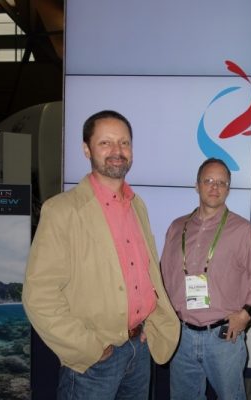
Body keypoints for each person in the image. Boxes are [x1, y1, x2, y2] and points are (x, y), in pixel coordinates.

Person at [23, 110, 180, 400]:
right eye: (105, 143)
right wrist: (89, 349)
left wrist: (151, 322)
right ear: (87, 149)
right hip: (95, 360)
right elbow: (38, 296)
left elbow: (146, 275)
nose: (117, 151)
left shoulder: (137, 206)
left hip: (139, 347)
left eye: (124, 143)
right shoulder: (62, 211)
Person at [161, 158, 251, 400]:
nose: (215, 187)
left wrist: (245, 315)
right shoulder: (176, 227)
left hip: (223, 337)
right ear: (197, 185)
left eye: (222, 183)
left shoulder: (243, 230)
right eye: (209, 181)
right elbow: (165, 275)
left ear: (228, 189)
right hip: (181, 336)